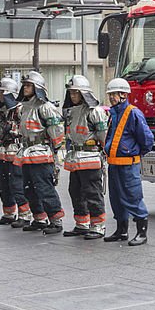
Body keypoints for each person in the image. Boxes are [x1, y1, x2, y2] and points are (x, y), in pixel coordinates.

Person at [103, 78, 154, 246]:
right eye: (110, 95)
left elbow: (147, 140)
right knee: (116, 198)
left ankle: (142, 233)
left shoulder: (133, 113)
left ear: (124, 95)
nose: (111, 98)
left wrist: (135, 155)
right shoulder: (113, 113)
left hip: (128, 165)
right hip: (114, 164)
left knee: (132, 197)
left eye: (114, 95)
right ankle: (121, 230)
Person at [14, 71, 66, 235]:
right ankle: (39, 218)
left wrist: (56, 151)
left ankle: (56, 220)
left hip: (41, 153)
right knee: (28, 188)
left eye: (29, 85)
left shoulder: (46, 107)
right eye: (25, 85)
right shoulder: (24, 107)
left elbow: (57, 130)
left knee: (44, 188)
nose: (26, 88)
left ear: (38, 88)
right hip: (27, 152)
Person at [61, 75, 109, 239]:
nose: (73, 96)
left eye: (76, 93)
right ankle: (82, 224)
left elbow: (103, 136)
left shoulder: (95, 111)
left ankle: (98, 226)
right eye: (71, 93)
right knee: (75, 191)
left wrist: (103, 152)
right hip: (75, 158)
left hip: (90, 157)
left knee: (92, 192)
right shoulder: (71, 112)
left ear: (84, 93)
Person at [0, 78, 32, 227]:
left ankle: (25, 215)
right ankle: (8, 213)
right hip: (3, 151)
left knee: (17, 184)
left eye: (2, 92)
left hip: (16, 151)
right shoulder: (3, 110)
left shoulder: (20, 109)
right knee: (3, 185)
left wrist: (14, 131)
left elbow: (26, 129)